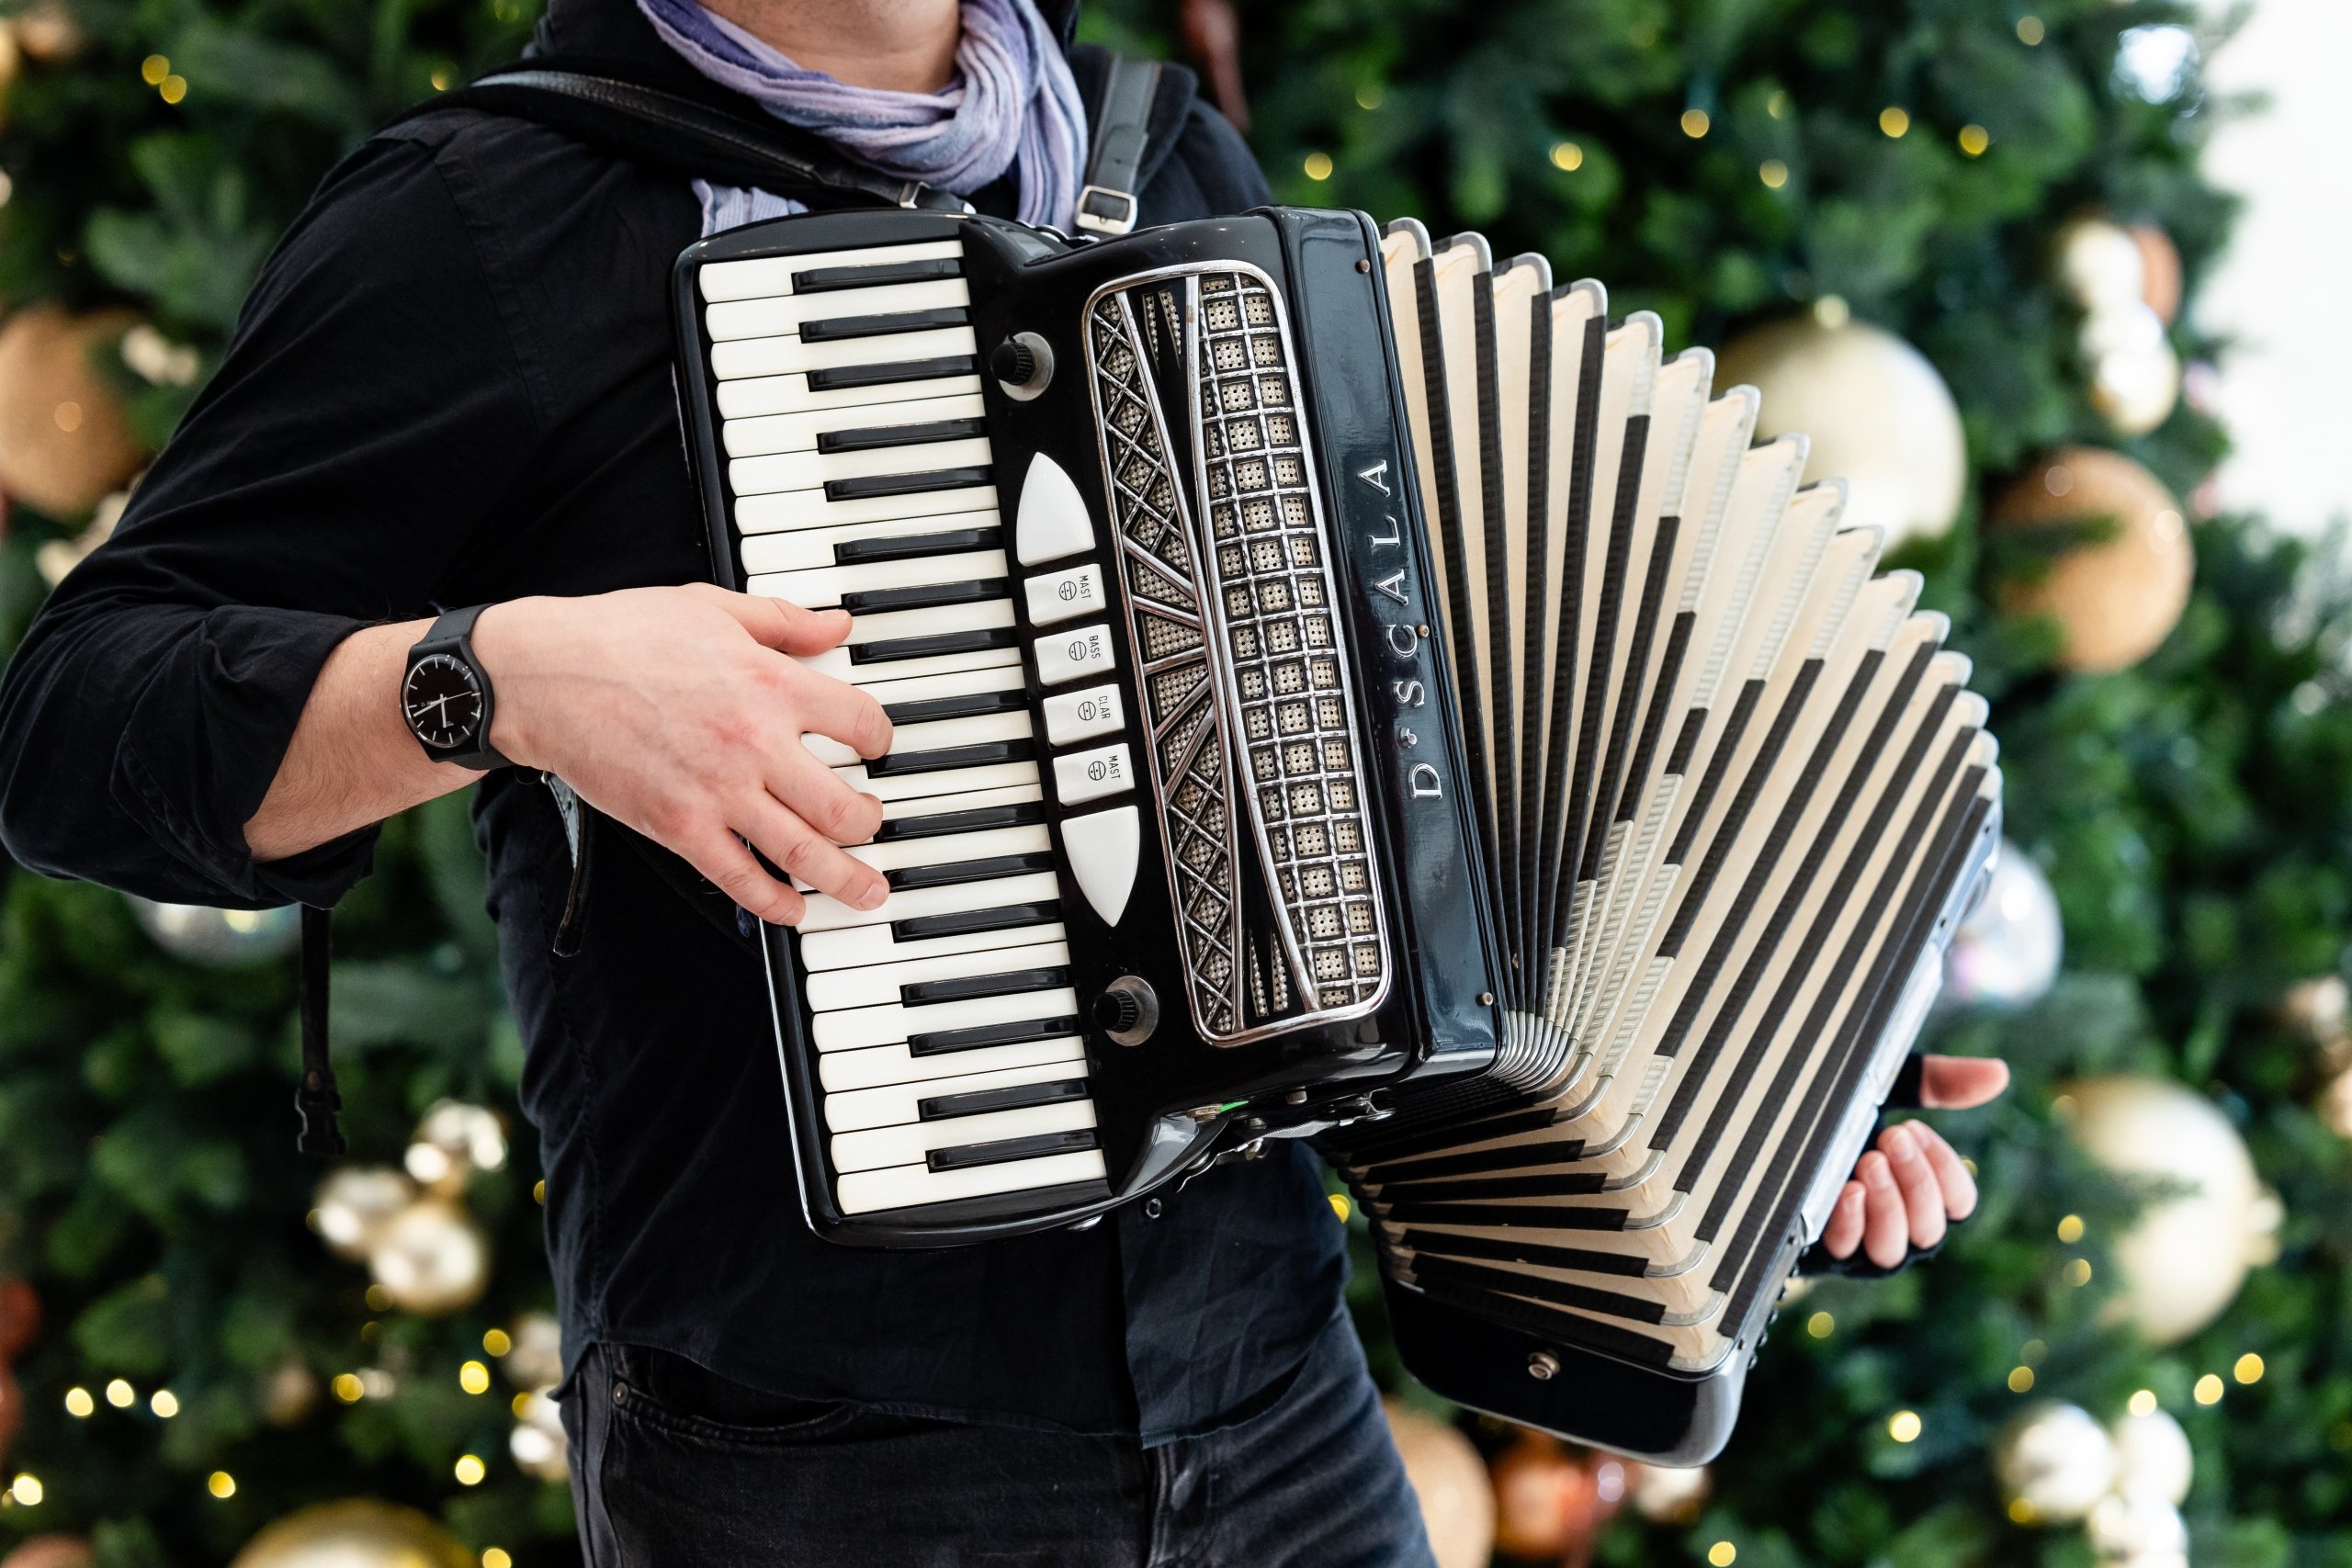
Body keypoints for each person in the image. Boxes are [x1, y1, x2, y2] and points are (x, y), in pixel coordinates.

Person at [0, 0, 2007, 1562]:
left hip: (1264, 1381)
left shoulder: (1154, 160)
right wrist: (490, 676)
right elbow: (72, 729)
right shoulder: (490, 219)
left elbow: (1381, 816)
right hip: (816, 1445)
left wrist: (1736, 1099)